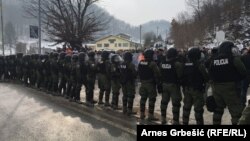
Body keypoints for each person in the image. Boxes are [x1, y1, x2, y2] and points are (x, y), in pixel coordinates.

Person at [209, 41, 247, 125]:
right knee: (235, 111)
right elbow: (243, 71)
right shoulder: (233, 58)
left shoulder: (214, 59)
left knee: (217, 111)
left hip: (216, 87)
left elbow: (210, 73)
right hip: (231, 88)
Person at [182, 48, 209, 125]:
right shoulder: (200, 65)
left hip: (187, 89)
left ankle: (185, 123)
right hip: (197, 89)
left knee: (186, 108)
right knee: (198, 109)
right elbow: (206, 77)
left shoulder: (185, 64)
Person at [159, 48, 183, 125]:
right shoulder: (177, 64)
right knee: (175, 104)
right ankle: (175, 121)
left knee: (164, 102)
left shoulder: (162, 63)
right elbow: (180, 75)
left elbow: (160, 74)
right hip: (174, 86)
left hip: (164, 84)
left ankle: (163, 119)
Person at [138, 49, 161, 121]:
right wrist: (158, 84)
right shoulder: (152, 63)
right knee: (151, 99)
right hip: (150, 84)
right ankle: (150, 115)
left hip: (143, 83)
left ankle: (142, 114)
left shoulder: (141, 62)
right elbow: (158, 74)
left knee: (143, 99)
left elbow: (138, 72)